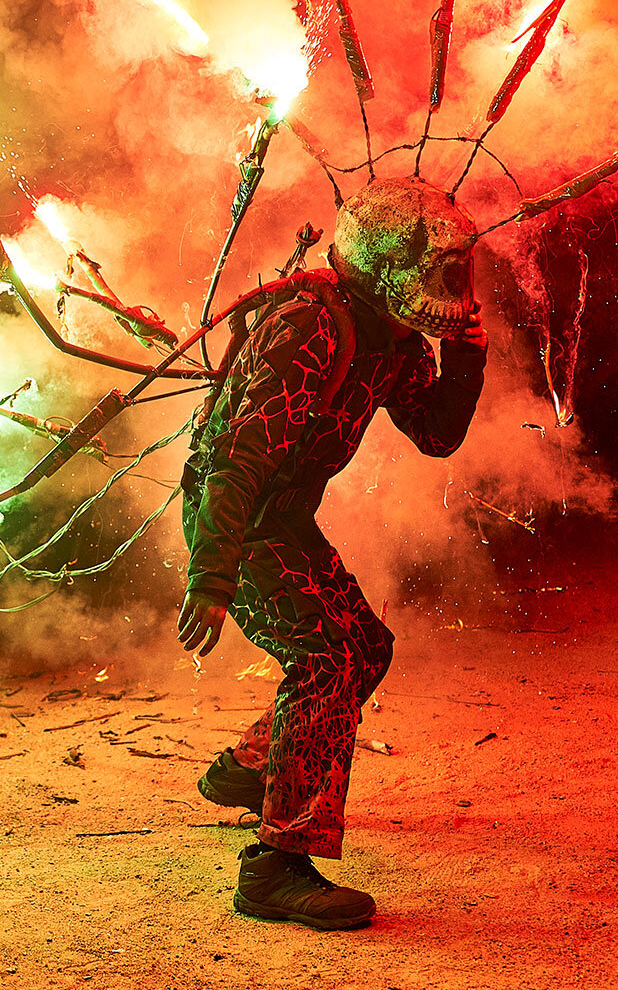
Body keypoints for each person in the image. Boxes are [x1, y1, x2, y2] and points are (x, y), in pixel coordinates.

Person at [177, 176, 488, 930]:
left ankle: (258, 768)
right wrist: (212, 577)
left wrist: (468, 361)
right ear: (381, 268)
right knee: (327, 657)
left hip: (282, 519)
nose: (450, 290)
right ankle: (276, 867)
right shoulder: (309, 328)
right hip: (240, 516)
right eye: (435, 272)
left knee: (365, 648)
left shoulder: (392, 337)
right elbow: (238, 460)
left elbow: (437, 434)